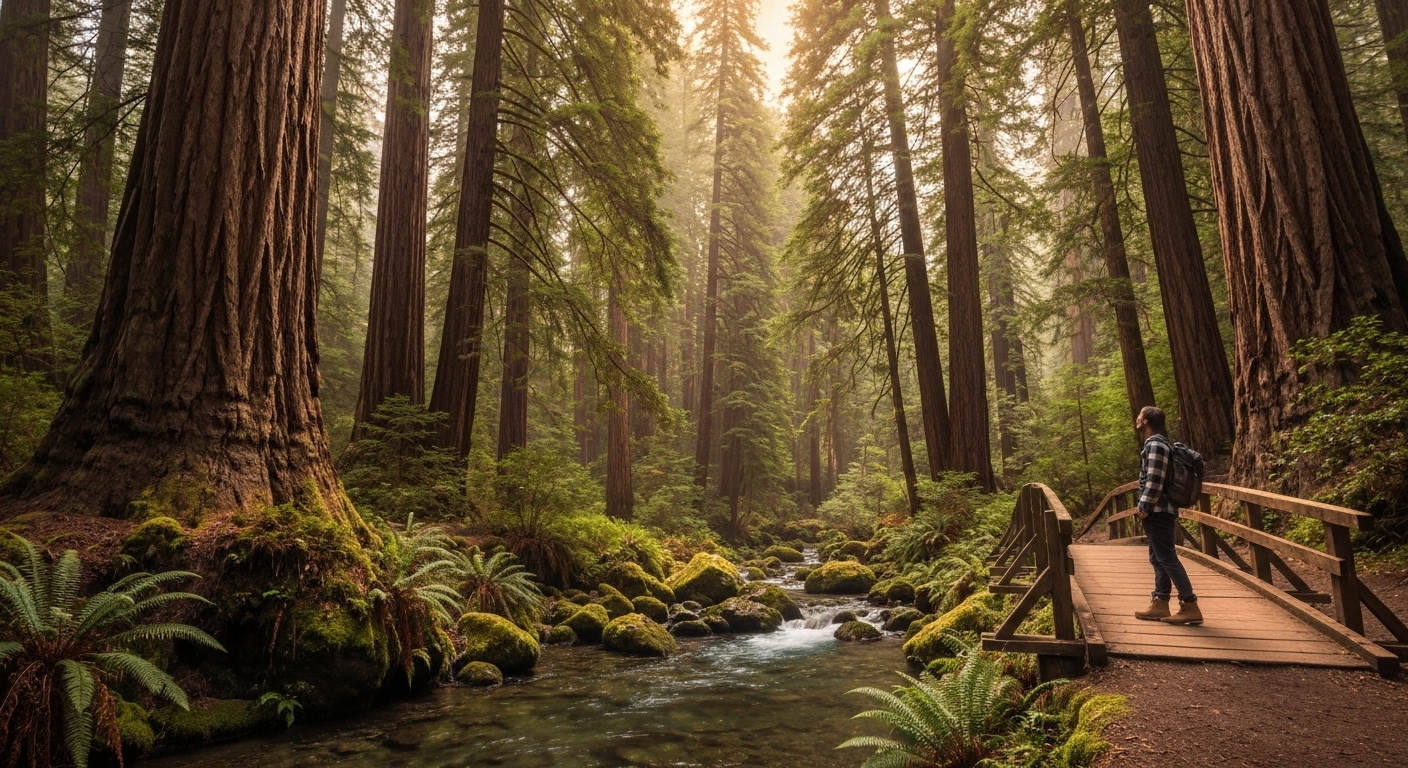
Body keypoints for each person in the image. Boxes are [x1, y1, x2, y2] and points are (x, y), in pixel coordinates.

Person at [1132, 406, 1202, 625]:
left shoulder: (1155, 444)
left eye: (1140, 416)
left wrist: (1143, 506)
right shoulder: (1160, 443)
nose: (1137, 419)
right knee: (1158, 557)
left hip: (1158, 510)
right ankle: (1160, 602)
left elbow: (1155, 479)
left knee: (1167, 558)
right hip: (1159, 509)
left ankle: (1189, 604)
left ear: (1146, 421)